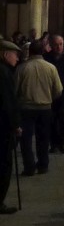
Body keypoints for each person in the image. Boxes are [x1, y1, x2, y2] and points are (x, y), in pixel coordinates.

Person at [16, 42, 64, 176]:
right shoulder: (51, 68)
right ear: (43, 51)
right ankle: (43, 165)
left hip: (26, 107)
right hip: (45, 107)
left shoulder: (22, 68)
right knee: (43, 138)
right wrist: (49, 97)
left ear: (30, 52)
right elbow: (58, 90)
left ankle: (29, 166)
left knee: (26, 139)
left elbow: (15, 89)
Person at [0, 39, 19, 213]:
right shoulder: (5, 73)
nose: (17, 59)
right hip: (3, 127)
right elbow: (8, 102)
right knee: (4, 164)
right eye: (15, 55)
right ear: (6, 55)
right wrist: (15, 124)